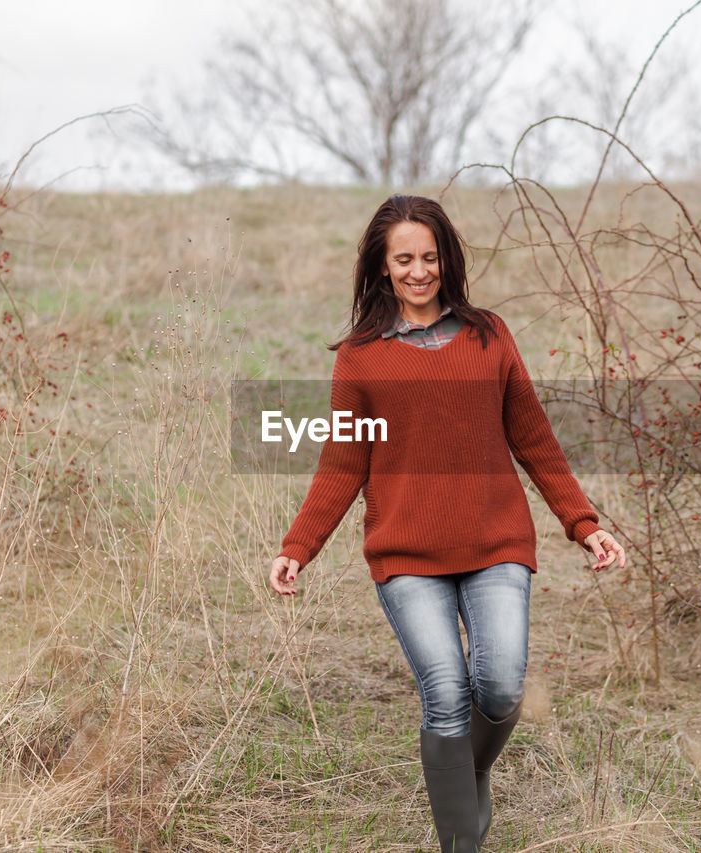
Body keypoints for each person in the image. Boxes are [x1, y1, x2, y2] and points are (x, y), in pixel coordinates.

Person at [268, 194, 625, 852]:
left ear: (447, 260)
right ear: (381, 267)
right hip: (406, 553)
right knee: (444, 691)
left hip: (496, 544)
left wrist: (583, 522)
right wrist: (299, 546)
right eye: (404, 258)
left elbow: (535, 440)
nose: (419, 270)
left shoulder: (490, 334)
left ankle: (463, 776)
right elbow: (343, 462)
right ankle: (463, 839)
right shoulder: (361, 356)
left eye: (429, 257)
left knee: (498, 683)